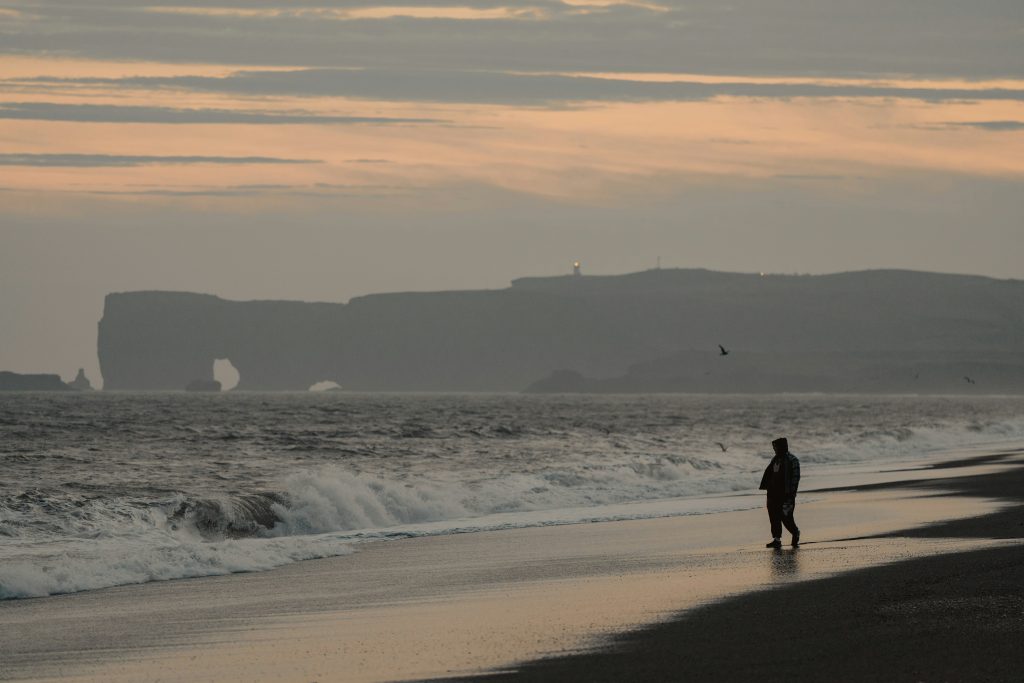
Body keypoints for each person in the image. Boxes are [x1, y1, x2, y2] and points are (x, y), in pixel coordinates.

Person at [759, 437, 800, 548]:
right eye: (774, 447)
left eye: (776, 447)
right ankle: (777, 540)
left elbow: (796, 478)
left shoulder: (793, 460)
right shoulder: (775, 459)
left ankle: (795, 532)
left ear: (783, 446)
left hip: (786, 495)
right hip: (772, 494)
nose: (775, 449)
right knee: (774, 517)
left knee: (786, 517)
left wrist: (791, 494)